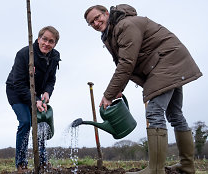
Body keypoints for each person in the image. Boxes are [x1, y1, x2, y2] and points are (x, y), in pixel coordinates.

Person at [84, 4, 202, 174]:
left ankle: (155, 169)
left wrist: (109, 94)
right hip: (169, 61)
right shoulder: (112, 32)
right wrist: (119, 89)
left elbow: (127, 63)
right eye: (91, 23)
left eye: (97, 17)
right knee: (175, 114)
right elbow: (126, 62)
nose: (96, 23)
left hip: (166, 62)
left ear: (106, 13)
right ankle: (187, 165)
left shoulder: (125, 25)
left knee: (154, 112)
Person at [6, 26, 61, 173]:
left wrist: (47, 92)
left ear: (55, 44)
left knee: (41, 124)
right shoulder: (24, 54)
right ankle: (21, 164)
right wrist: (34, 99)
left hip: (37, 94)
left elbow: (51, 80)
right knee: (25, 122)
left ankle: (43, 162)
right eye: (44, 39)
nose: (47, 44)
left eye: (51, 41)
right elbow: (17, 82)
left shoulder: (55, 56)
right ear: (38, 39)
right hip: (16, 92)